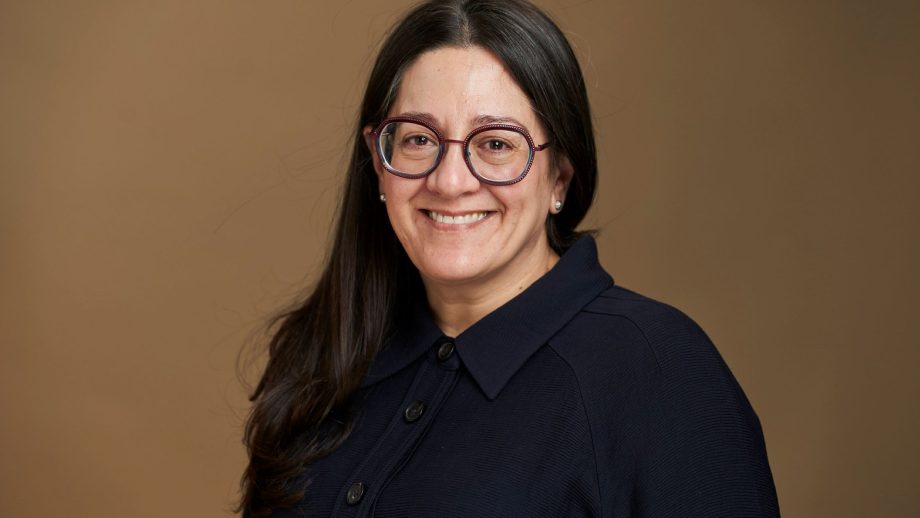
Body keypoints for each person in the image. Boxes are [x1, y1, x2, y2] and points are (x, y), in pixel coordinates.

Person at [238, 1, 779, 516]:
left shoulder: (658, 369)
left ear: (559, 178)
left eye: (497, 143)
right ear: (378, 162)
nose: (450, 182)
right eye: (420, 139)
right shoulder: (325, 354)